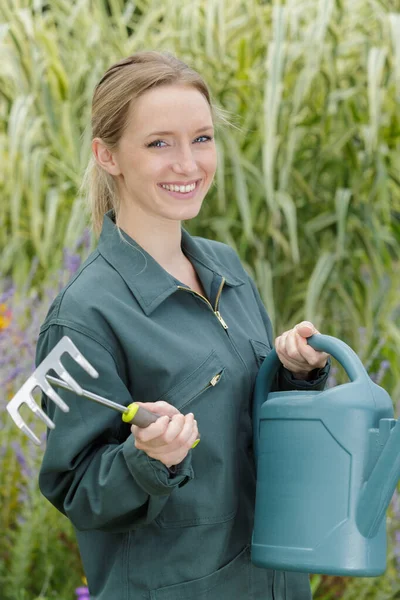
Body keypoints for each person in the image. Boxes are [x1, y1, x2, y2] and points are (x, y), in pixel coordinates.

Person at [36, 51, 330, 600]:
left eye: (201, 138)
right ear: (108, 156)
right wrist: (147, 459)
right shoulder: (83, 318)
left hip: (276, 582)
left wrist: (292, 375)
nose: (188, 164)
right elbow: (76, 490)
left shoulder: (226, 269)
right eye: (158, 143)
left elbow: (251, 425)